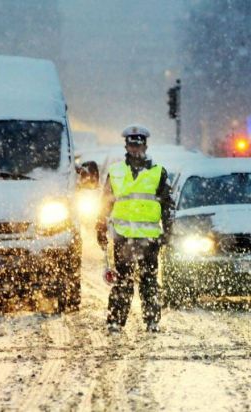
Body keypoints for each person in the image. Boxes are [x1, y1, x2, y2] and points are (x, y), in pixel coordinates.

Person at [96, 124, 174, 333]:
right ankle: (116, 322)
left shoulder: (158, 172)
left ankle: (151, 321)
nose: (135, 148)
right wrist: (100, 227)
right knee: (123, 281)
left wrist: (168, 230)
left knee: (149, 281)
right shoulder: (116, 172)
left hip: (149, 239)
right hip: (123, 237)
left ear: (145, 145)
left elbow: (168, 205)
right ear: (127, 146)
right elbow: (105, 203)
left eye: (139, 144)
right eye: (132, 144)